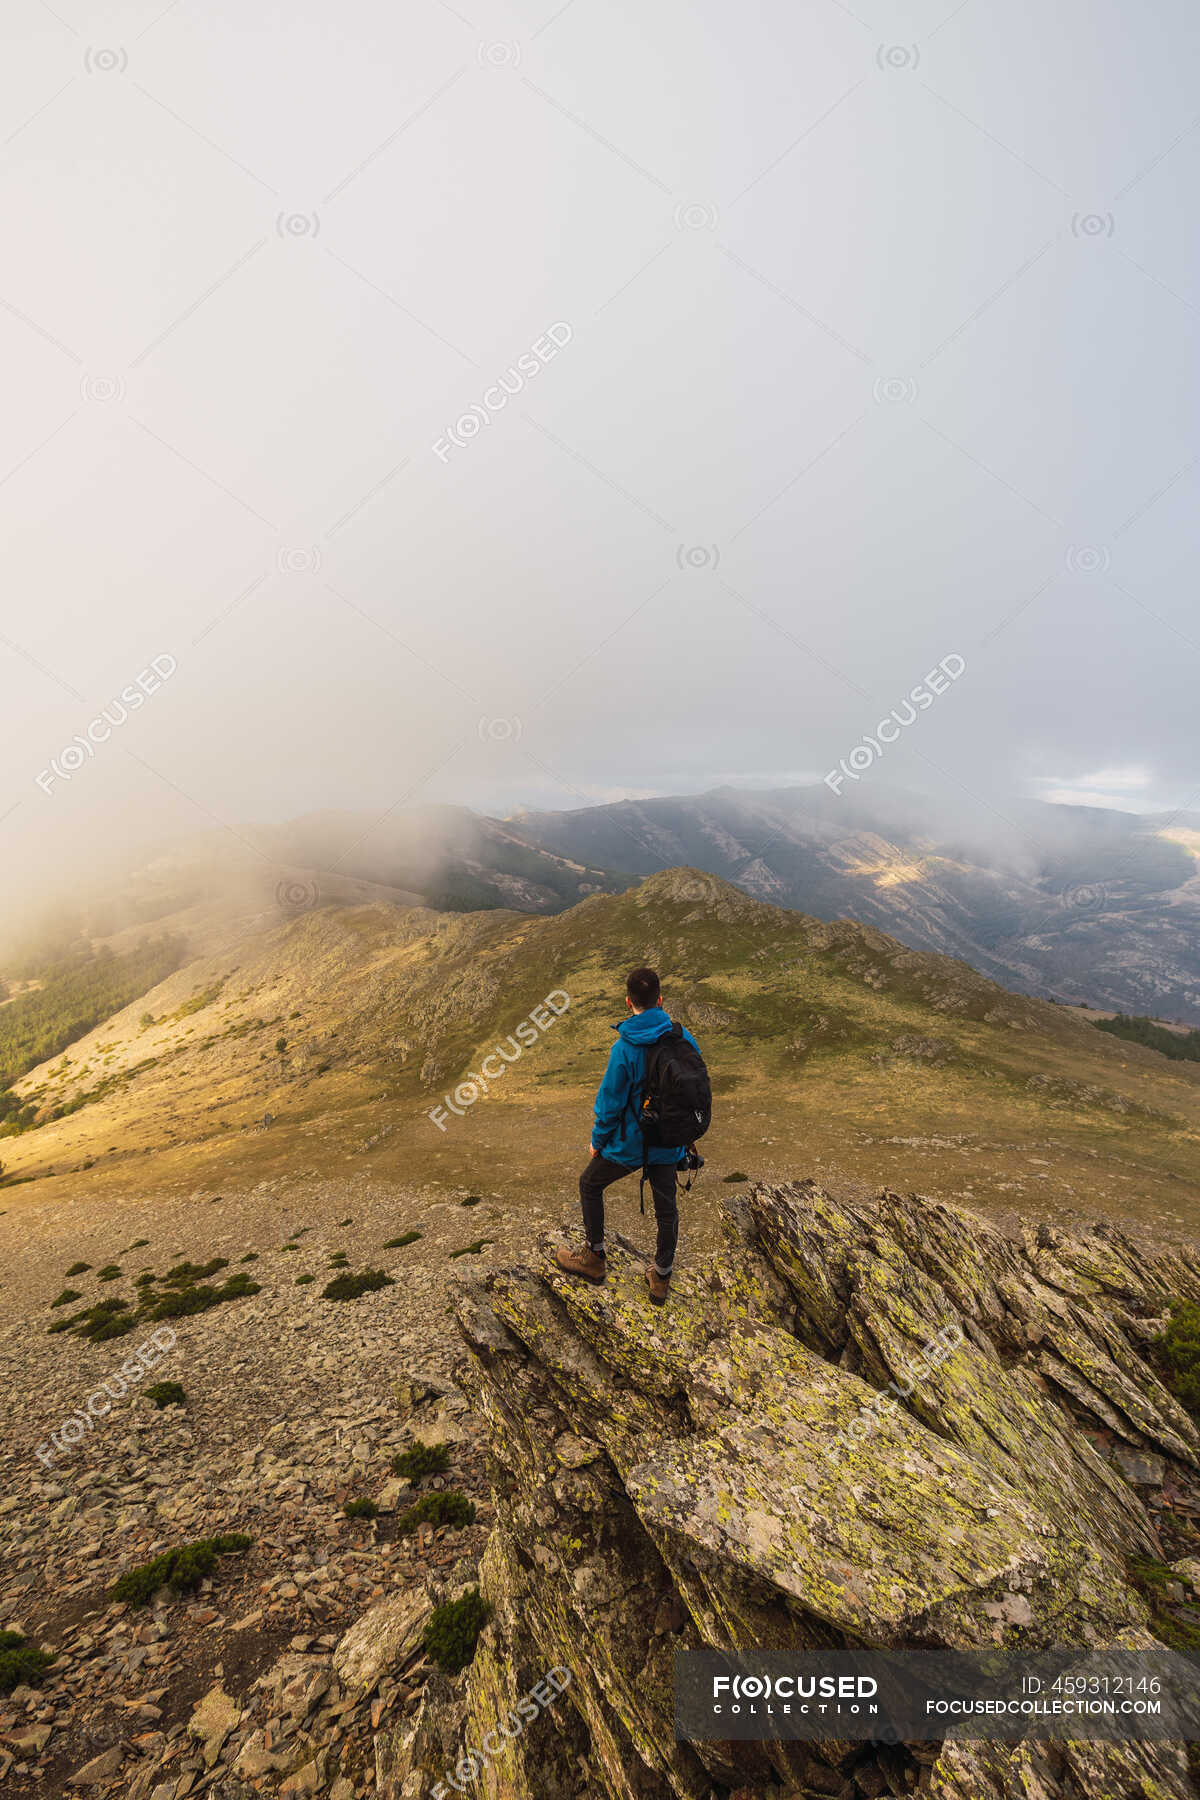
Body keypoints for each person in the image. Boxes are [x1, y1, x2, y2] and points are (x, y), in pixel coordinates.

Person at [555, 966, 701, 1306]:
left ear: (628, 1002)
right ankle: (661, 1277)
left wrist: (598, 1141)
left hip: (630, 1144)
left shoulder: (624, 1049)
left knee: (590, 1184)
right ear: (660, 1000)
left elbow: (610, 1105)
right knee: (667, 1210)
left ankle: (594, 1259)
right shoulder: (684, 1037)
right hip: (669, 1141)